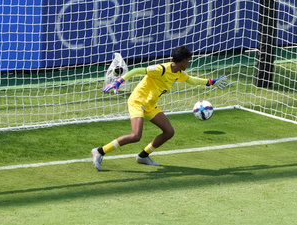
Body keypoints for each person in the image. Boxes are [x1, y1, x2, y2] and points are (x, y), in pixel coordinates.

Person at [92, 45, 226, 170]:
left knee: (169, 132)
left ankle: (143, 156)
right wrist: (118, 81)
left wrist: (211, 82)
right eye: (188, 60)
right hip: (137, 102)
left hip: (150, 105)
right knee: (135, 135)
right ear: (183, 61)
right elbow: (137, 70)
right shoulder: (161, 69)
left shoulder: (178, 73)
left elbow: (192, 80)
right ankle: (99, 151)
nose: (189, 63)